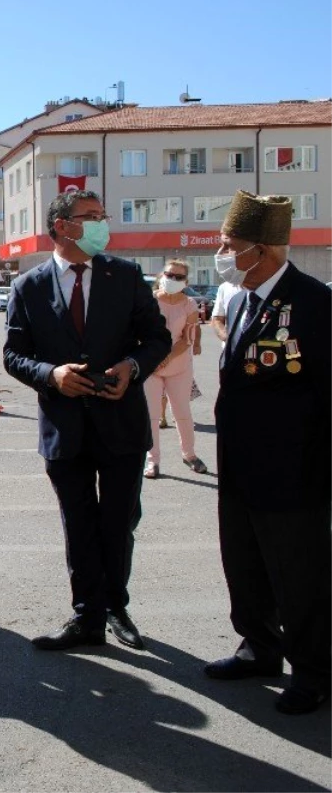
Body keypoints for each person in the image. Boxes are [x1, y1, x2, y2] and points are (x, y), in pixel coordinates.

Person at [2, 190, 171, 652]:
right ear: (61, 226)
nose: (101, 224)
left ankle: (116, 606)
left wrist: (133, 368)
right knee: (78, 523)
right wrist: (51, 375)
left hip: (121, 423)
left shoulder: (127, 276)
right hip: (65, 429)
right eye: (89, 217)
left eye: (102, 216)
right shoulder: (29, 286)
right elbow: (14, 356)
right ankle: (86, 617)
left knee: (118, 522)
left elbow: (157, 338)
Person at [203, 190, 332, 715]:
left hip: (294, 472)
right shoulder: (239, 300)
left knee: (301, 576)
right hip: (239, 466)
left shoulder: (316, 304)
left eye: (229, 245)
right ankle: (258, 647)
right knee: (245, 564)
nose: (222, 253)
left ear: (263, 250)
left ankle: (314, 670)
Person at [143, 260, 206, 479]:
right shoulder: (148, 301)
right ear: (162, 276)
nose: (173, 280)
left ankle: (189, 455)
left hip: (178, 365)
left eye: (179, 277)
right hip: (150, 366)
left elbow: (187, 339)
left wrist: (166, 357)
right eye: (170, 275)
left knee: (182, 413)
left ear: (186, 282)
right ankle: (153, 461)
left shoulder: (190, 304)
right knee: (151, 416)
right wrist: (153, 357)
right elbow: (139, 332)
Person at [210, 279, 241, 348]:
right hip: (231, 350)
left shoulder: (266, 285)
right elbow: (217, 320)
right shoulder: (225, 287)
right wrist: (228, 339)